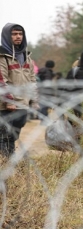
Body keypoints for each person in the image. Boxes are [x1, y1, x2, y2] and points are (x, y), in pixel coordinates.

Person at [0, 23, 39, 157]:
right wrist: (8, 101)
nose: (18, 37)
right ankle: (7, 165)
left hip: (22, 103)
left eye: (20, 34)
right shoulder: (2, 56)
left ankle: (7, 160)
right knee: (5, 136)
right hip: (6, 106)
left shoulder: (26, 56)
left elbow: (32, 80)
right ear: (7, 36)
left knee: (13, 136)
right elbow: (1, 81)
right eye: (14, 34)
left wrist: (34, 100)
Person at [37, 60, 56, 124]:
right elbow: (48, 83)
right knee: (45, 106)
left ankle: (43, 118)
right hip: (46, 92)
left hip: (40, 91)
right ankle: (44, 120)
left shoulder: (40, 71)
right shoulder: (48, 72)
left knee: (42, 105)